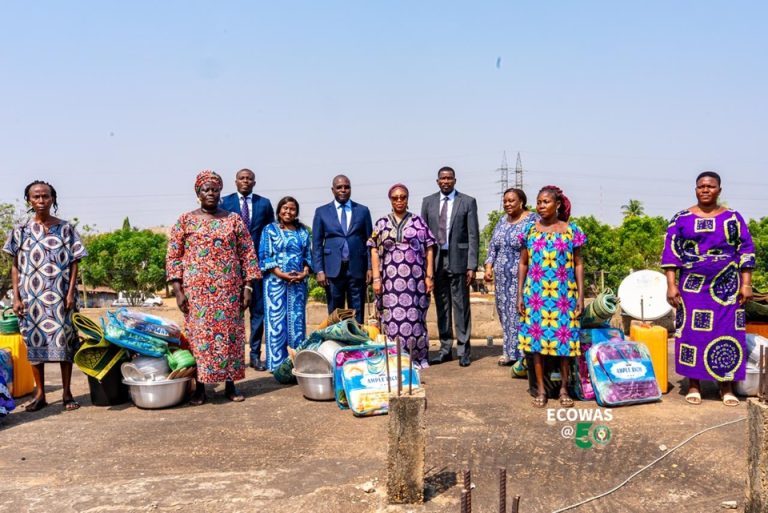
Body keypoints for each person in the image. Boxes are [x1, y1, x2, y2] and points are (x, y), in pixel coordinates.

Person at [167, 170, 261, 405]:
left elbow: (248, 254)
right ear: (198, 193)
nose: (210, 193)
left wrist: (248, 288)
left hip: (229, 291)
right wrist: (178, 291)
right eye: (206, 189)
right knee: (199, 339)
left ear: (220, 192)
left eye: (215, 189)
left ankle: (230, 385)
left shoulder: (233, 220)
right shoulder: (185, 220)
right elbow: (173, 257)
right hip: (196, 293)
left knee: (230, 337)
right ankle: (200, 388)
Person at [662, 171, 755, 407]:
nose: (705, 190)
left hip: (727, 287)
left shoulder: (733, 218)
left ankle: (726, 386)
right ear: (695, 189)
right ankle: (694, 384)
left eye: (710, 186)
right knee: (692, 333)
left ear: (719, 190)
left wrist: (746, 284)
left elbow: (746, 250)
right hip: (692, 287)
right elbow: (671, 254)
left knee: (727, 332)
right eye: (701, 186)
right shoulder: (681, 218)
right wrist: (671, 285)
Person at [3, 180, 87, 412]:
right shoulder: (20, 230)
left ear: (53, 199)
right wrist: (16, 297)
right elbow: (15, 266)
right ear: (29, 200)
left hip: (61, 297)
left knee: (65, 343)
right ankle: (40, 394)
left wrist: (70, 293)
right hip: (31, 298)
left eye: (46, 196)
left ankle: (67, 392)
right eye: (36, 197)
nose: (41, 200)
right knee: (34, 345)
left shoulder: (66, 228)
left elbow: (74, 263)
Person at [517, 185, 586, 408]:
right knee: (536, 345)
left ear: (557, 205)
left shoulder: (572, 231)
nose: (541, 206)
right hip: (535, 296)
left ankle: (564, 388)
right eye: (538, 202)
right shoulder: (530, 230)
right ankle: (541, 389)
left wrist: (581, 296)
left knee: (565, 345)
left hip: (564, 296)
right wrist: (520, 295)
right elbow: (523, 263)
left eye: (545, 202)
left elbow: (578, 264)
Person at [368, 184, 436, 367]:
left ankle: (416, 358)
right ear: (390, 200)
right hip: (389, 282)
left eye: (403, 197)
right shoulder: (382, 223)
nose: (399, 200)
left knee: (415, 317)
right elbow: (373, 250)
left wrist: (429, 276)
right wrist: (376, 278)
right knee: (391, 318)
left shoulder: (418, 222)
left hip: (415, 281)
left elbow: (429, 248)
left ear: (407, 198)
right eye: (395, 197)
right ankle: (393, 357)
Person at [420, 166, 479, 367]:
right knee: (442, 306)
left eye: (449, 178)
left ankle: (463, 350)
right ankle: (445, 349)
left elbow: (473, 235)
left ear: (455, 180)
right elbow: (423, 236)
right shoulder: (428, 202)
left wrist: (472, 265)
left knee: (461, 306)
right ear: (437, 181)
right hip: (436, 261)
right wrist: (424, 266)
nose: (446, 181)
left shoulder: (467, 201)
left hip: (459, 260)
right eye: (442, 178)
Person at [220, 168, 274, 371]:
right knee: (232, 313)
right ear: (235, 182)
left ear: (254, 182)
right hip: (231, 266)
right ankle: (233, 357)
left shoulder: (264, 204)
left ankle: (255, 355)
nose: (245, 181)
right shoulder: (224, 203)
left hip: (257, 266)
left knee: (258, 312)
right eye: (242, 178)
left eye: (249, 179)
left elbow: (270, 233)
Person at [484, 188, 539, 366]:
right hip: (502, 279)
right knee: (505, 314)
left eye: (511, 201)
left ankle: (524, 355)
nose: (507, 204)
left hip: (522, 276)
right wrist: (489, 266)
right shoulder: (502, 221)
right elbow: (493, 246)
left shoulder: (532, 220)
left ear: (521, 202)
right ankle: (509, 352)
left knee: (519, 313)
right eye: (505, 201)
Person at [312, 174, 373, 325]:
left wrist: (370, 267)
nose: (343, 190)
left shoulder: (363, 211)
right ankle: (336, 339)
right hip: (332, 270)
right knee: (335, 311)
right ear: (333, 190)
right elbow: (317, 243)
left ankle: (356, 339)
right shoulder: (322, 212)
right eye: (339, 187)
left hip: (357, 268)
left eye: (347, 187)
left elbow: (370, 242)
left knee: (357, 310)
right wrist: (319, 270)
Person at [259, 196, 312, 372]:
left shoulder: (303, 231)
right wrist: (282, 274)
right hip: (275, 284)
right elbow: (265, 256)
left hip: (298, 284)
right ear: (279, 210)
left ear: (296, 212)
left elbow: (308, 256)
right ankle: (277, 365)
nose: (288, 212)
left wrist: (304, 273)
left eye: (292, 209)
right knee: (276, 324)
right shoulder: (269, 230)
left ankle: (297, 364)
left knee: (297, 323)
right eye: (285, 208)